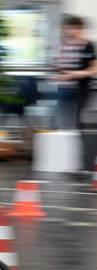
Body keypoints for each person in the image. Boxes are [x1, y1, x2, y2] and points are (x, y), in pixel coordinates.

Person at [50, 15, 97, 175]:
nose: (72, 31)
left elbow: (94, 69)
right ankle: (65, 163)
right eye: (69, 28)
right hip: (63, 90)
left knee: (79, 127)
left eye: (76, 28)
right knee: (62, 127)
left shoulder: (87, 45)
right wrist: (57, 75)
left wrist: (75, 75)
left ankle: (83, 166)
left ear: (81, 29)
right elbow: (56, 67)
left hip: (80, 91)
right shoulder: (60, 46)